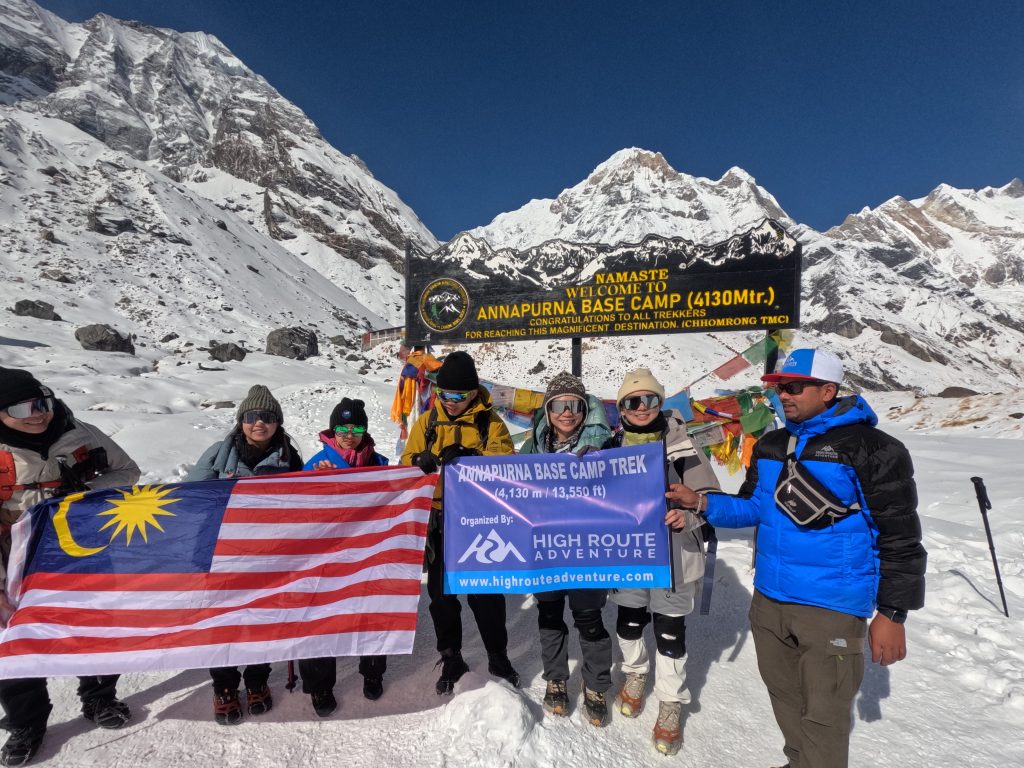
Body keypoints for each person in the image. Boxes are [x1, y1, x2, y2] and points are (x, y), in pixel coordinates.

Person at [667, 348, 927, 768]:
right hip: (769, 600)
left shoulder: (873, 448)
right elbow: (753, 508)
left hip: (832, 606)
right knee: (785, 697)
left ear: (828, 391)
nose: (783, 396)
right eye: (779, 388)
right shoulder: (771, 444)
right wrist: (700, 502)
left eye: (794, 387)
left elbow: (899, 536)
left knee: (824, 716)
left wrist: (893, 613)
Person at [0, 367, 140, 767]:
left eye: (42, 401)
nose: (38, 413)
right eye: (23, 407)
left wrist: (84, 494)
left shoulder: (80, 431)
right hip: (14, 561)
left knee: (94, 626)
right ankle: (27, 722)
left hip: (84, 553)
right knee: (13, 642)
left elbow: (127, 471)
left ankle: (99, 698)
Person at [604, 368, 721, 755]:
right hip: (627, 552)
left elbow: (709, 497)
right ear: (621, 407)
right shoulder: (610, 446)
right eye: (633, 401)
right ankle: (636, 674)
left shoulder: (683, 445)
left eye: (650, 400)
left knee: (670, 629)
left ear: (661, 402)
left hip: (673, 552)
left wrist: (689, 515)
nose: (642, 407)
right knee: (630, 619)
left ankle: (671, 700)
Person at [401, 351, 520, 695]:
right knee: (441, 597)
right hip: (439, 518)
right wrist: (417, 462)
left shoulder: (490, 423)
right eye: (444, 394)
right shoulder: (427, 422)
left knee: (486, 595)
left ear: (473, 393)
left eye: (459, 396)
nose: (451, 402)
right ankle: (451, 656)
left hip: (479, 519)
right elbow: (407, 463)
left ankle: (498, 655)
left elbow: (507, 465)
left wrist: (473, 459)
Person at [186, 385, 303, 726]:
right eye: (252, 417)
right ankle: (224, 686)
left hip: (268, 554)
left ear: (278, 423)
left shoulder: (289, 457)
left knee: (260, 620)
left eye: (268, 417)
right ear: (241, 421)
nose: (259, 423)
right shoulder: (217, 454)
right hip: (222, 552)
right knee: (223, 622)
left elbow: (301, 504)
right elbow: (190, 501)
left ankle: (257, 679)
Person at [520, 372, 614, 726]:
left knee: (589, 619)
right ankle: (556, 679)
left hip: (588, 546)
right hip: (545, 546)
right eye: (558, 405)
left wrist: (601, 464)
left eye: (575, 405)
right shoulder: (532, 447)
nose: (567, 412)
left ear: (584, 408)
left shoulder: (605, 445)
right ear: (548, 409)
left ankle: (596, 684)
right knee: (549, 615)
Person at [299, 397, 389, 715]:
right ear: (332, 430)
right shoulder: (314, 465)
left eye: (355, 427)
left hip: (368, 554)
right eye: (342, 427)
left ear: (364, 430)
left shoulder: (380, 465)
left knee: (373, 612)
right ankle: (320, 686)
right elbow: (298, 513)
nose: (348, 433)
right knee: (319, 618)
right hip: (326, 557)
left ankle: (373, 672)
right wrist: (314, 481)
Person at [390, 344, 443, 443]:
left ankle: (411, 441)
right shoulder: (425, 358)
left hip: (407, 396)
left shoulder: (410, 360)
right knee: (418, 417)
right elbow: (439, 372)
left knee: (411, 418)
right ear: (424, 347)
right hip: (418, 395)